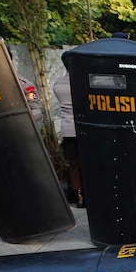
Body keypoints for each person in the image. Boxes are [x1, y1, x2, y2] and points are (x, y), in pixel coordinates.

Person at [52, 51, 83, 208]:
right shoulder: (83, 83)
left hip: (68, 129)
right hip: (84, 129)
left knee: (74, 165)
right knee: (90, 163)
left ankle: (79, 196)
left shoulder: (58, 85)